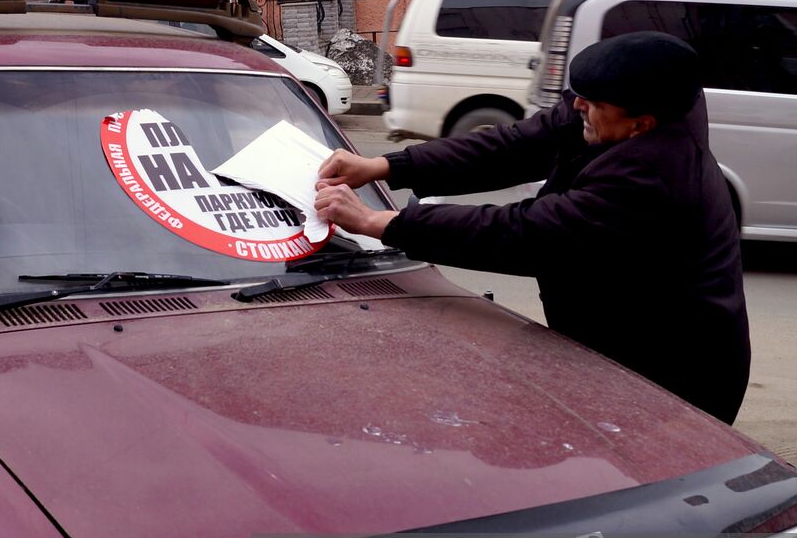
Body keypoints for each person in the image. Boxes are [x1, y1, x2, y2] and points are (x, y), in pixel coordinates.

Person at [314, 32, 750, 424]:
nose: (577, 105)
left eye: (592, 102)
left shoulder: (655, 174)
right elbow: (514, 146)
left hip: (673, 379)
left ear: (642, 124)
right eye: (579, 94)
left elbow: (524, 234)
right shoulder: (624, 101)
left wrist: (380, 222)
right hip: (610, 351)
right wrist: (386, 165)